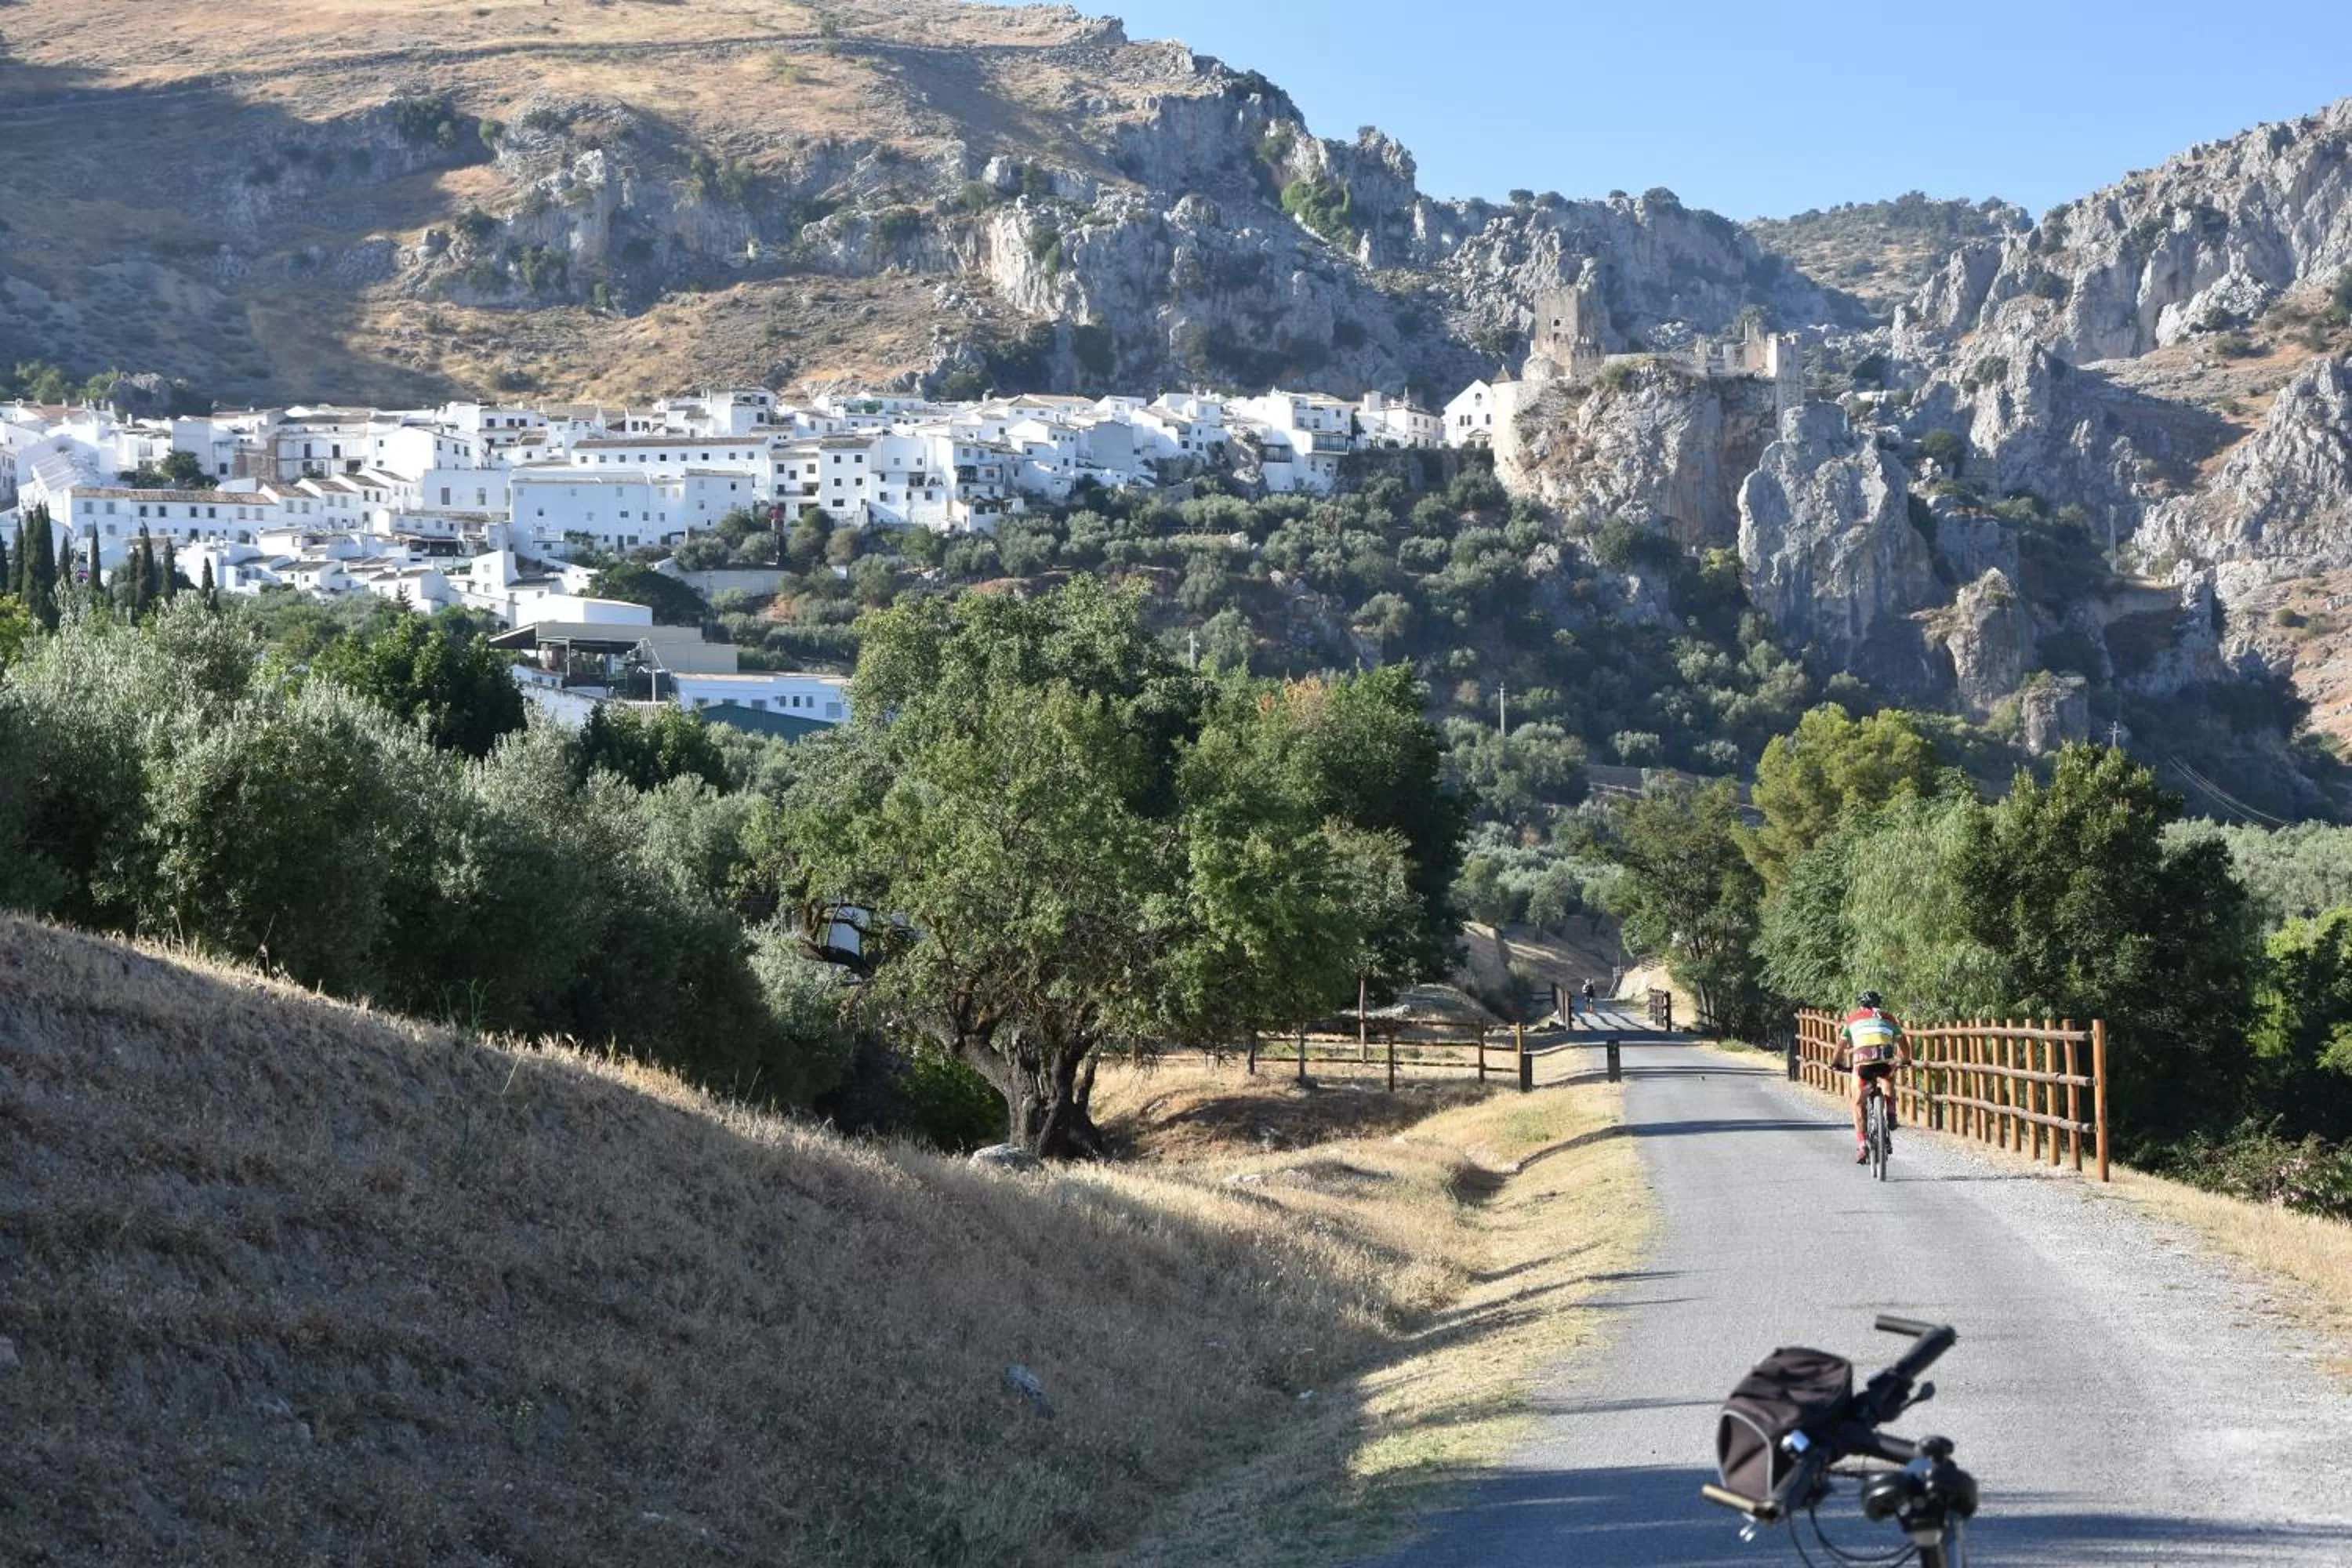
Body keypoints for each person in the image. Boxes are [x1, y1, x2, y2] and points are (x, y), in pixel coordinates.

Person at [1838, 990, 1911, 1163]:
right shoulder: (1889, 1018)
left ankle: (1862, 1144)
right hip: (1884, 1062)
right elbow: (1903, 1044)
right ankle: (1891, 1112)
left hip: (1863, 1065)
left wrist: (1835, 1063)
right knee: (1889, 1076)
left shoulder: (1852, 1020)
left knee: (1857, 1103)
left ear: (1860, 1006)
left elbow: (1839, 1047)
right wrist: (1906, 1059)